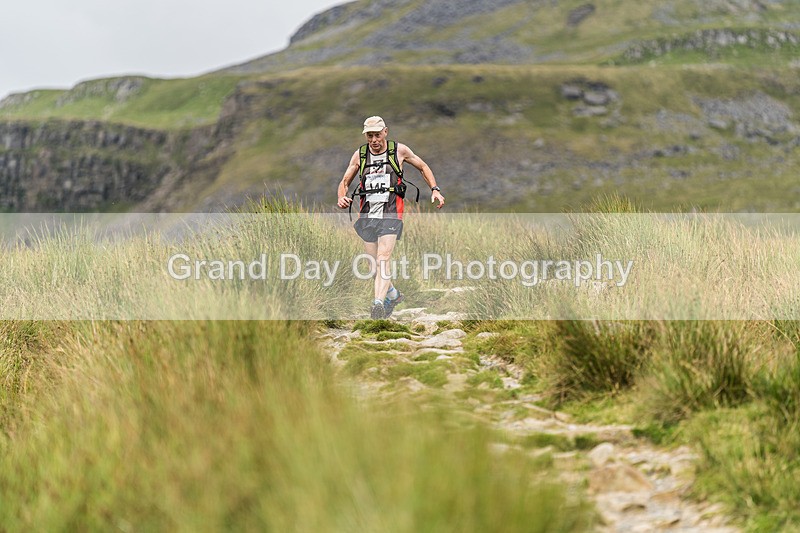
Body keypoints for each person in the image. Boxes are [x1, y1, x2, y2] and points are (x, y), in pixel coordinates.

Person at [337, 116, 445, 319]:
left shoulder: (399, 151)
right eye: (370, 136)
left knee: (383, 258)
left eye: (377, 134)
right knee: (372, 267)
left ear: (385, 131)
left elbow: (423, 166)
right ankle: (393, 295)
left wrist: (435, 190)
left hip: (391, 213)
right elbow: (344, 181)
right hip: (368, 214)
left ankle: (377, 303)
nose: (374, 140)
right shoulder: (360, 155)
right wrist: (341, 197)